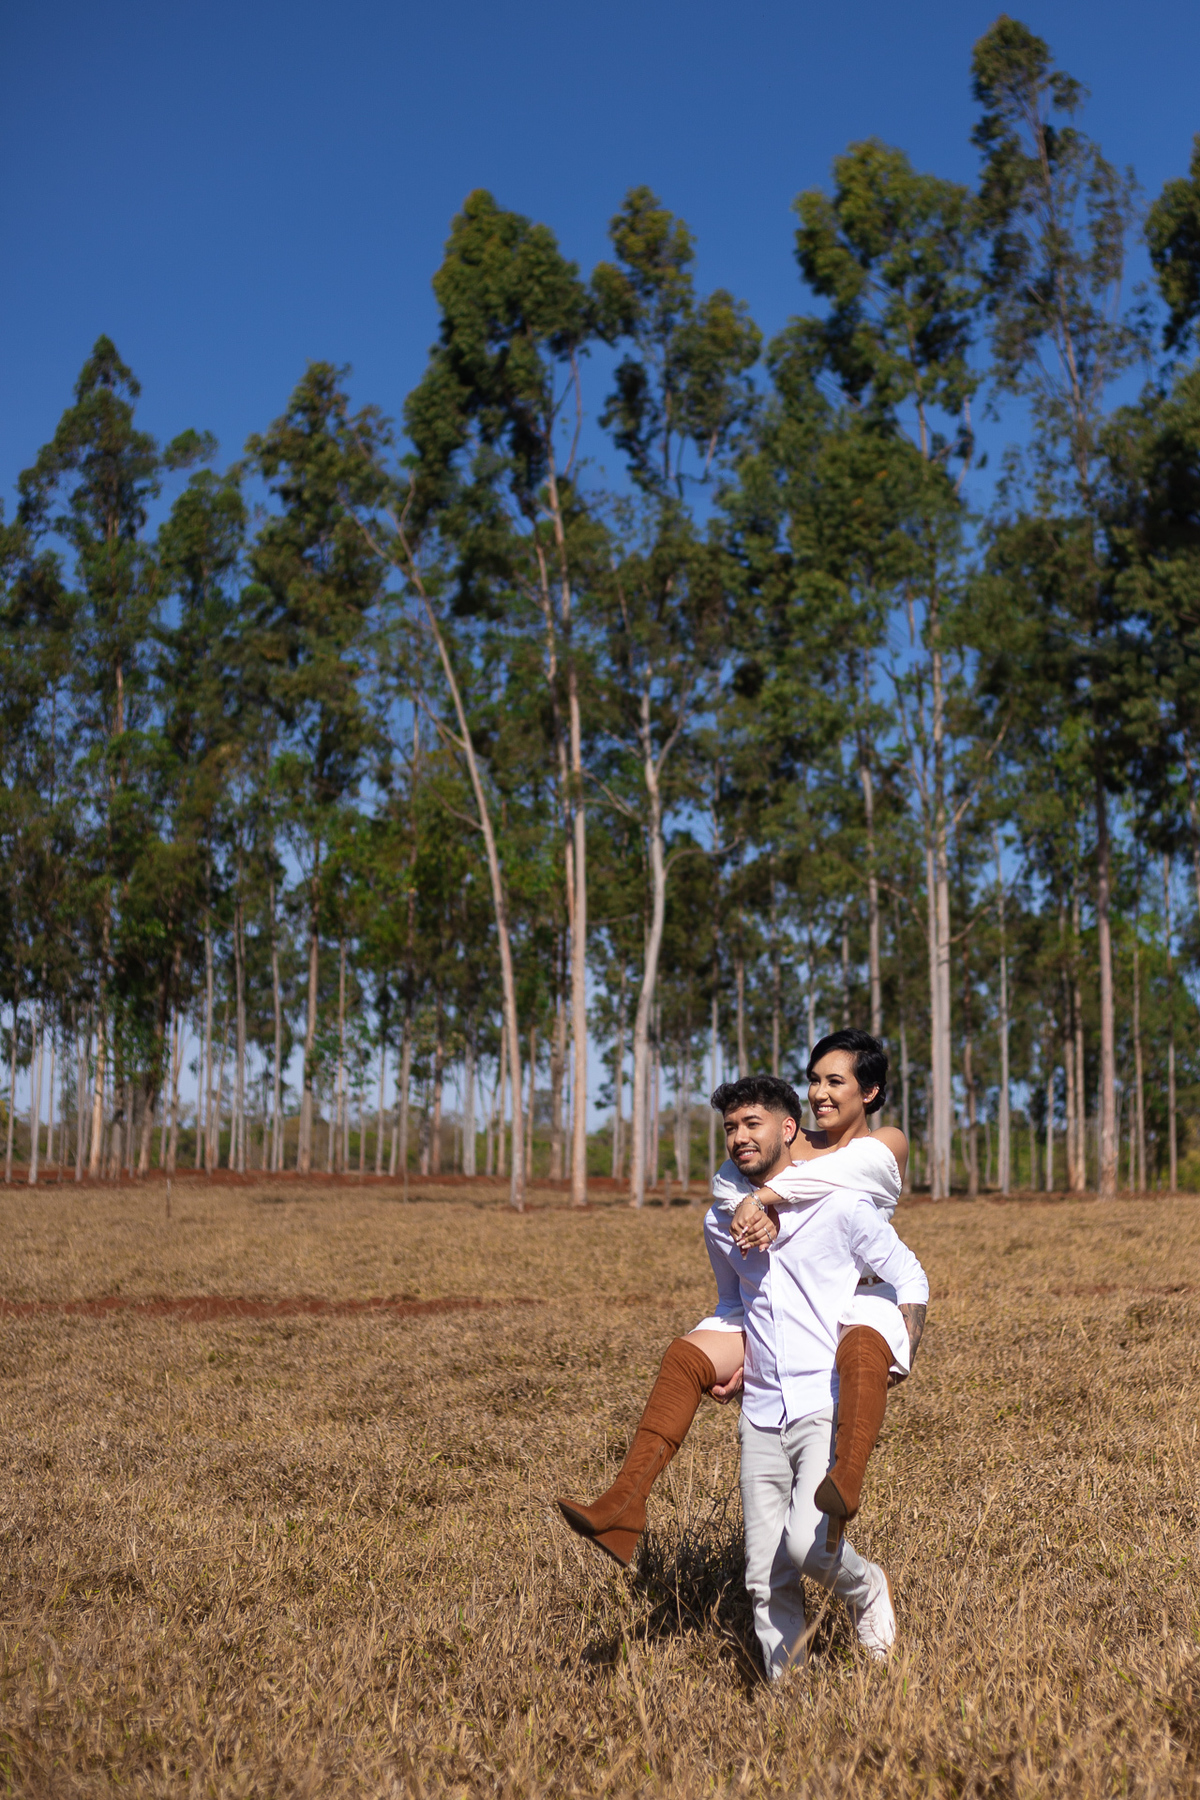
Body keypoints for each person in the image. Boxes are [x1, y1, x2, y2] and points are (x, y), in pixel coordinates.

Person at [556, 1039, 928, 1664]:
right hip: (768, 1381)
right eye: (814, 1079)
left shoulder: (871, 1156)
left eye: (836, 1081)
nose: (821, 1092)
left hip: (856, 1312)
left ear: (867, 1092)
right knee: (764, 1572)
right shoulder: (740, 1189)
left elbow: (842, 1194)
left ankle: (858, 1550)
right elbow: (733, 1275)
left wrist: (769, 1201)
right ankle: (625, 1503)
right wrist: (728, 1355)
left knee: (812, 1546)